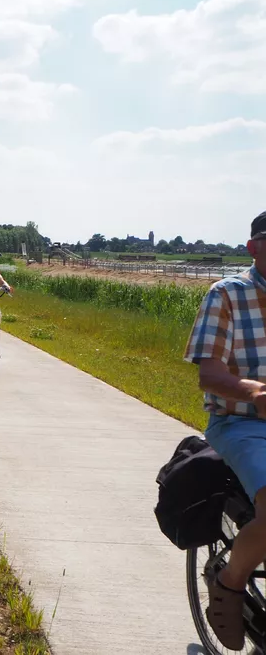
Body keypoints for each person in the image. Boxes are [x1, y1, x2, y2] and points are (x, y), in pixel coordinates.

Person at [185, 210, 266, 649]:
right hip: (242, 422)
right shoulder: (228, 294)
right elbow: (210, 374)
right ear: (253, 247)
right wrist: (254, 392)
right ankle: (229, 583)